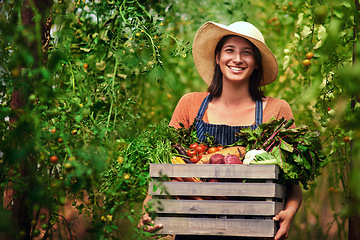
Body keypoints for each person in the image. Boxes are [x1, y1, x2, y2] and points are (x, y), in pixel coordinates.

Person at [138, 21, 303, 240]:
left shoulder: (276, 110)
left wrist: (289, 212)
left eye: (247, 53)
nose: (237, 59)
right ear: (217, 58)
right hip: (193, 230)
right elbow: (166, 169)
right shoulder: (190, 105)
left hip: (255, 230)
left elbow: (293, 182)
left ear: (256, 63)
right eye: (229, 50)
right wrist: (149, 205)